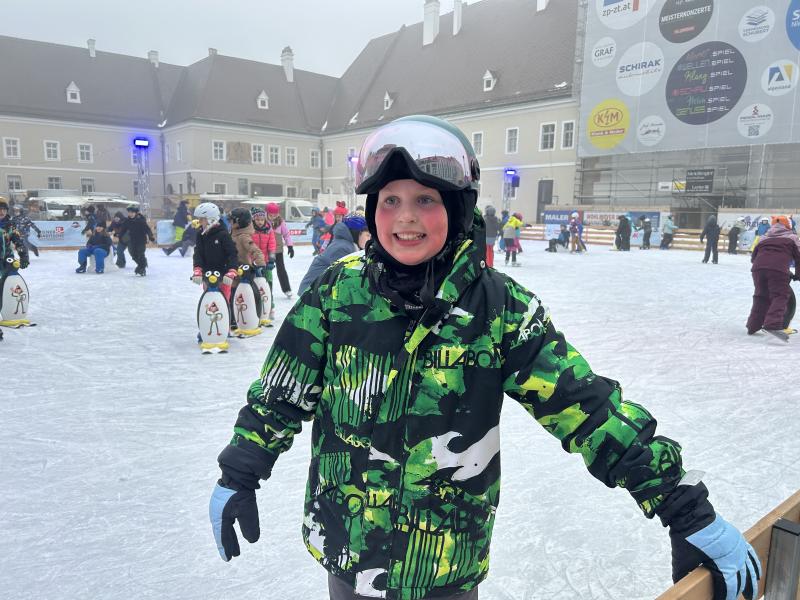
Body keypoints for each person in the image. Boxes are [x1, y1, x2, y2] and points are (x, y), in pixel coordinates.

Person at [208, 115, 760, 600]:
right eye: (391, 200)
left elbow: (586, 409)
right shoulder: (337, 292)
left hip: (444, 563)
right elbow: (280, 394)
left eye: (426, 200)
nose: (405, 218)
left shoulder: (500, 309)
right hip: (347, 550)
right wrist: (240, 472)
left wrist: (684, 508)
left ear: (457, 207)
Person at [746, 215, 800, 339]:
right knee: (780, 295)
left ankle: (753, 325)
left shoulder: (763, 237)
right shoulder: (792, 237)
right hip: (778, 269)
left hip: (758, 269)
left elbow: (753, 257)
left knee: (761, 296)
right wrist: (798, 275)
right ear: (788, 226)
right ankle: (772, 324)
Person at [298, 213, 370, 295]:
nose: (369, 239)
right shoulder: (342, 248)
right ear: (356, 233)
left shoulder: (347, 244)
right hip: (311, 294)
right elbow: (345, 279)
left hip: (318, 291)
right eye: (367, 235)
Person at [192, 202, 238, 303]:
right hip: (208, 274)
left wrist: (232, 270)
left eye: (202, 219)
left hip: (224, 275)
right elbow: (198, 253)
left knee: (223, 301)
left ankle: (226, 312)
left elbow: (232, 253)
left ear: (211, 219)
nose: (199, 221)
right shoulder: (200, 234)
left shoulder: (223, 234)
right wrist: (198, 269)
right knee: (209, 302)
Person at [251, 207, 277, 321]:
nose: (260, 222)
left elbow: (272, 245)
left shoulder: (269, 230)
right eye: (257, 220)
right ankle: (255, 307)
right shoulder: (250, 230)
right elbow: (249, 246)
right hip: (253, 262)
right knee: (254, 286)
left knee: (268, 285)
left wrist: (271, 260)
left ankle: (270, 307)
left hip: (266, 262)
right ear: (253, 219)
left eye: (262, 219)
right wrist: (250, 261)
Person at [266, 202, 295, 298]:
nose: (273, 217)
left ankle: (287, 289)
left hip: (278, 250)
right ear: (267, 213)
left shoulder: (280, 222)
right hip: (266, 251)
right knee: (266, 270)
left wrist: (290, 246)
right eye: (271, 215)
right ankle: (266, 290)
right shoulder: (263, 221)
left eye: (275, 215)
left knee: (281, 270)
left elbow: (286, 235)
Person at [116, 205, 154, 276]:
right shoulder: (127, 221)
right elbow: (123, 230)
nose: (130, 214)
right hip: (131, 241)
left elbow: (147, 229)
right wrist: (120, 236)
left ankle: (142, 269)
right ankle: (142, 264)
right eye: (129, 212)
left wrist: (150, 236)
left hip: (140, 240)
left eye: (132, 212)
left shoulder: (141, 220)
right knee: (133, 254)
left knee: (140, 254)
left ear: (136, 213)